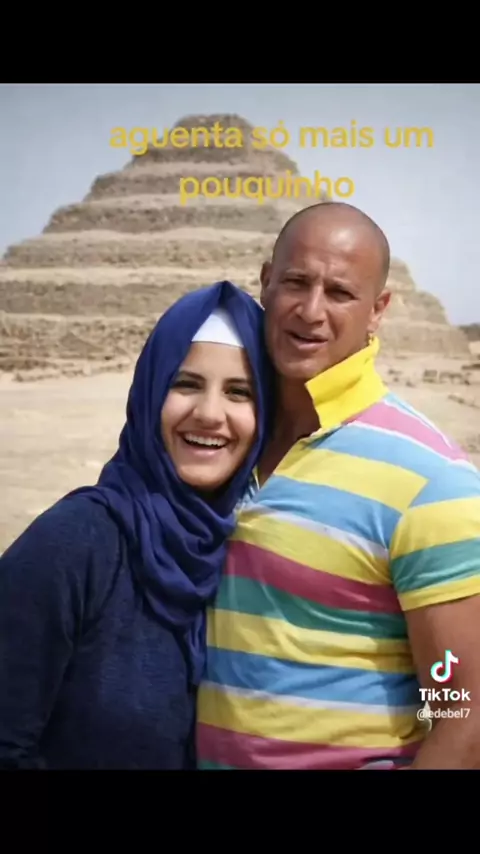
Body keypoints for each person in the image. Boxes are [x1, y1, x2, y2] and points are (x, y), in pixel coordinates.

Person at [196, 202, 480, 770]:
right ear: (265, 282)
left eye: (340, 293)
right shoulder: (216, 448)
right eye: (296, 282)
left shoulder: (431, 482)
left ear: (378, 310)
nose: (311, 311)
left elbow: (464, 713)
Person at [0, 280, 274, 769]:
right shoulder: (77, 542)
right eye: (185, 384)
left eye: (239, 392)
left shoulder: (248, 553)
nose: (209, 414)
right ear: (149, 394)